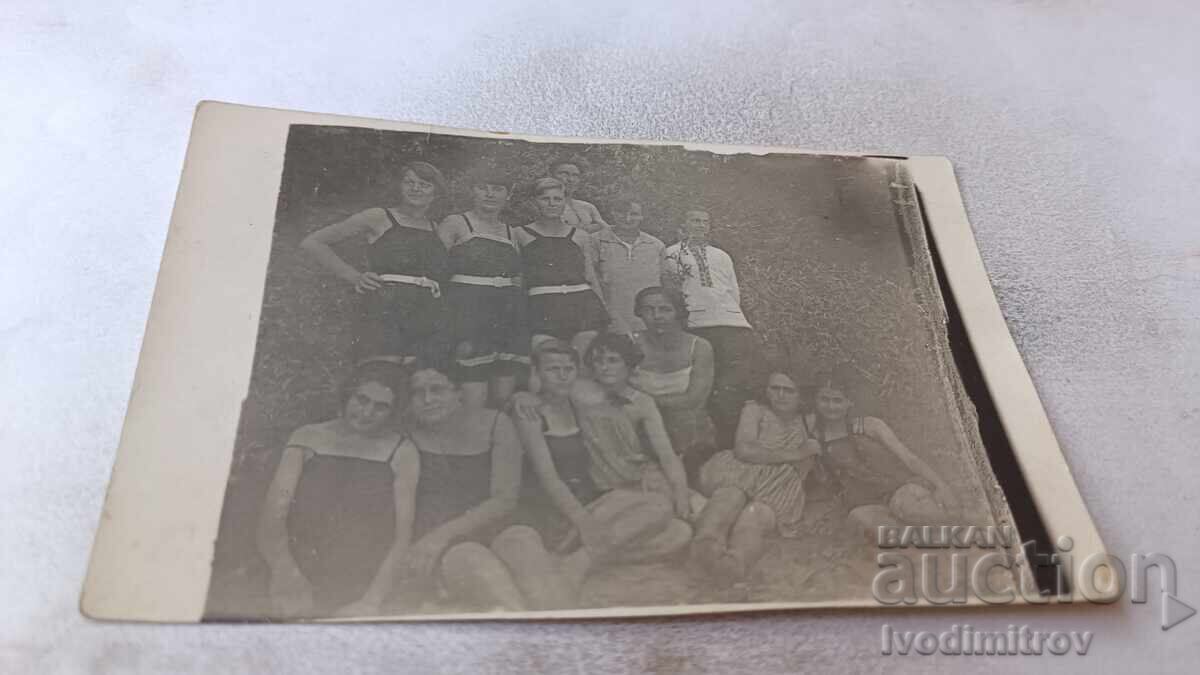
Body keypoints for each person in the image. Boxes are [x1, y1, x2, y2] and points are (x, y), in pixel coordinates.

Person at [506, 341, 701, 605]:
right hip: (558, 510)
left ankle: (581, 558)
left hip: (591, 502)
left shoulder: (576, 402)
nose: (562, 375)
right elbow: (549, 479)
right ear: (537, 373)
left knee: (678, 531)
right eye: (553, 369)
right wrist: (584, 521)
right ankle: (582, 561)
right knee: (658, 514)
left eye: (568, 368)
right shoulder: (531, 414)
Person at [256, 363, 413, 617]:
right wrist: (285, 574)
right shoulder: (307, 437)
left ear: (393, 412)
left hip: (361, 575)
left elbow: (402, 536)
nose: (367, 412)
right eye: (362, 399)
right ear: (347, 395)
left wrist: (371, 601)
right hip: (296, 564)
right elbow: (273, 517)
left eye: (381, 407)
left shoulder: (402, 451)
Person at [300, 162, 449, 366]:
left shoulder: (437, 228)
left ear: (436, 193)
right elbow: (313, 242)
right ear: (400, 186)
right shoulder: (379, 217)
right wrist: (353, 276)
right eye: (409, 182)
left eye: (424, 184)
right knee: (380, 373)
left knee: (417, 377)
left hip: (425, 310)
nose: (415, 188)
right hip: (384, 307)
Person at [691, 370, 818, 585]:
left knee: (756, 518)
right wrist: (797, 453)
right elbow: (744, 450)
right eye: (774, 388)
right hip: (742, 470)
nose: (780, 395)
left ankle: (734, 564)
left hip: (780, 483)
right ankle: (704, 550)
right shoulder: (755, 410)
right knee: (728, 499)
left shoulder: (810, 421)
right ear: (766, 390)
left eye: (789, 390)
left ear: (802, 396)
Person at [802, 369, 960, 539]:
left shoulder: (870, 426)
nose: (830, 406)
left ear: (849, 402)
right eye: (824, 399)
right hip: (869, 504)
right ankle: (923, 538)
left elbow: (909, 458)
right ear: (816, 401)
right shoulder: (815, 437)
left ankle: (955, 524)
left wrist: (943, 487)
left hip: (900, 490)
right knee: (857, 519)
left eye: (837, 400)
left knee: (905, 507)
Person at [663, 207, 757, 450]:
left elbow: (733, 290)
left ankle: (731, 442)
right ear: (683, 225)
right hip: (698, 325)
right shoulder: (672, 254)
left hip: (732, 325)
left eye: (705, 221)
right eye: (694, 220)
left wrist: (731, 315)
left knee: (730, 386)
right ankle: (701, 446)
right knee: (701, 386)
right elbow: (674, 292)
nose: (700, 225)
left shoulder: (722, 255)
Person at [437, 167, 528, 409]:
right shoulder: (456, 222)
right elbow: (435, 269)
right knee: (471, 385)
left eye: (498, 189)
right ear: (472, 191)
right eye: (483, 187)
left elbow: (518, 277)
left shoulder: (512, 232)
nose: (490, 194)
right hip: (467, 311)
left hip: (507, 312)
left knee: (503, 391)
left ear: (508, 195)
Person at [627, 287, 716, 484]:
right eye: (648, 310)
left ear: (678, 312)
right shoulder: (630, 343)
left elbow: (695, 400)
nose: (657, 316)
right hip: (640, 431)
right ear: (639, 313)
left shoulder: (700, 347)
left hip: (687, 432)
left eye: (665, 309)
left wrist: (645, 404)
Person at [514, 178, 609, 356]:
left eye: (557, 199)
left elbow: (590, 275)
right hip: (542, 306)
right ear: (534, 202)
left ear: (565, 202)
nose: (552, 204)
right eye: (545, 199)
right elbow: (518, 278)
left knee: (582, 362)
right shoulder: (520, 234)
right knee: (549, 362)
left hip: (583, 305)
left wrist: (603, 308)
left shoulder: (580, 235)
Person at [588, 197, 667, 335]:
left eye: (634, 214)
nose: (627, 218)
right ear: (613, 213)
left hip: (649, 321)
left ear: (642, 216)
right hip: (610, 320)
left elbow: (664, 283)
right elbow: (591, 280)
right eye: (621, 212)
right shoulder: (596, 241)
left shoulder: (656, 245)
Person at [551, 160, 608, 234]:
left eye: (575, 175)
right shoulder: (547, 206)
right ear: (551, 177)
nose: (571, 180)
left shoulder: (588, 207)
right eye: (564, 174)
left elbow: (607, 230)